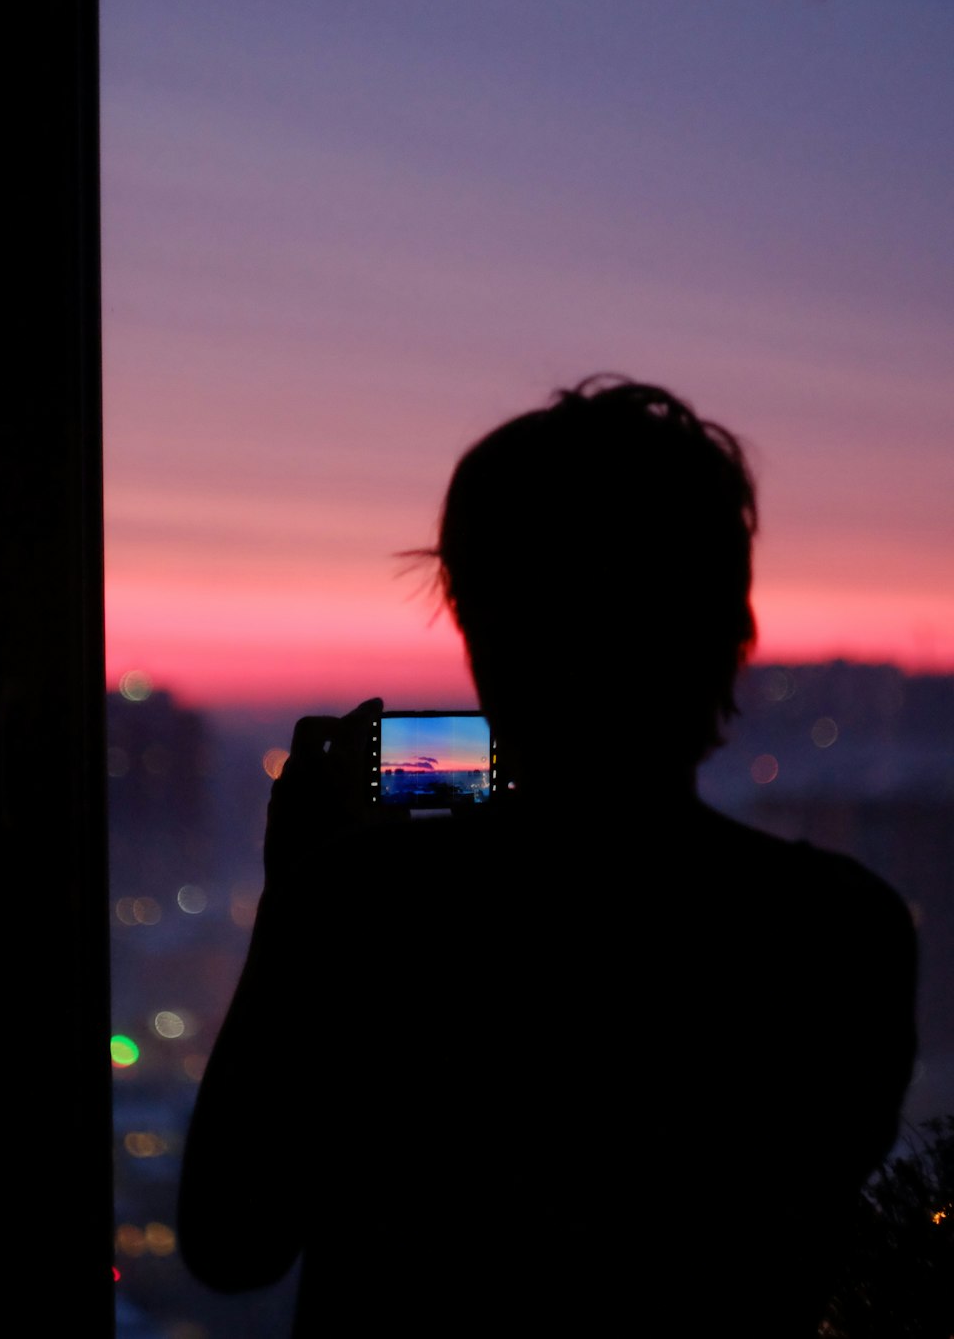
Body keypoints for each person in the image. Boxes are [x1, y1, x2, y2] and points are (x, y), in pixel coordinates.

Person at [178, 377, 917, 1336]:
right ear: (732, 636)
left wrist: (300, 902)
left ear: (481, 637)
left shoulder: (371, 914)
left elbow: (231, 1244)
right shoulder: (839, 934)